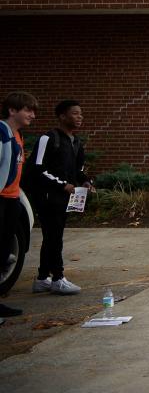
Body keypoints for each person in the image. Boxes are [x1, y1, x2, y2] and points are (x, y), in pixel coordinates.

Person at [24, 99, 92, 295]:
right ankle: (58, 278)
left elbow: (77, 169)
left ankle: (42, 278)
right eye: (75, 113)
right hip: (47, 195)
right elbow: (38, 169)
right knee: (54, 237)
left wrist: (86, 181)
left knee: (52, 236)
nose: (80, 117)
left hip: (65, 197)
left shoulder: (76, 141)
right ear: (62, 116)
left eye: (81, 113)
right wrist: (62, 185)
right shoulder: (48, 138)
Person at [1, 91, 39, 316]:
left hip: (13, 199)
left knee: (4, 252)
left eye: (34, 111)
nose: (32, 115)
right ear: (12, 110)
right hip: (2, 199)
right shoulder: (1, 133)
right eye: (28, 110)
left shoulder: (18, 135)